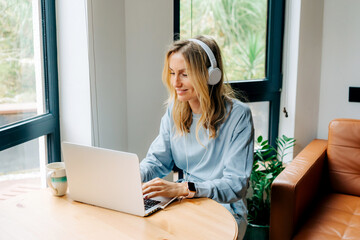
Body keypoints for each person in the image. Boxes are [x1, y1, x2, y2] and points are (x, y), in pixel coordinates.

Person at [140, 35, 254, 239]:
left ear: (210, 75)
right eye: (173, 73)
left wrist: (183, 188)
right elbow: (157, 161)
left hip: (225, 210)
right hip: (185, 202)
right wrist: (131, 177)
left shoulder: (238, 116)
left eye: (184, 74)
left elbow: (235, 185)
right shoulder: (174, 110)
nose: (175, 82)